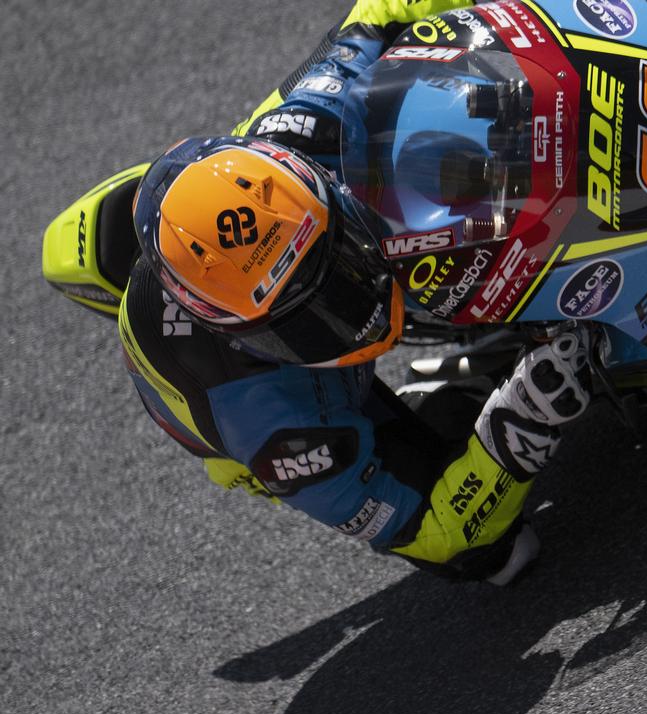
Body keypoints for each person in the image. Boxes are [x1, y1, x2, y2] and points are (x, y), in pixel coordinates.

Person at [115, 0, 592, 585]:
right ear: (236, 331)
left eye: (333, 260)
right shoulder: (273, 428)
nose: (347, 309)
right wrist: (520, 427)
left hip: (253, 190)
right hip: (256, 400)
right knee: (493, 556)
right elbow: (430, 536)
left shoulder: (302, 131)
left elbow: (386, 10)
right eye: (299, 317)